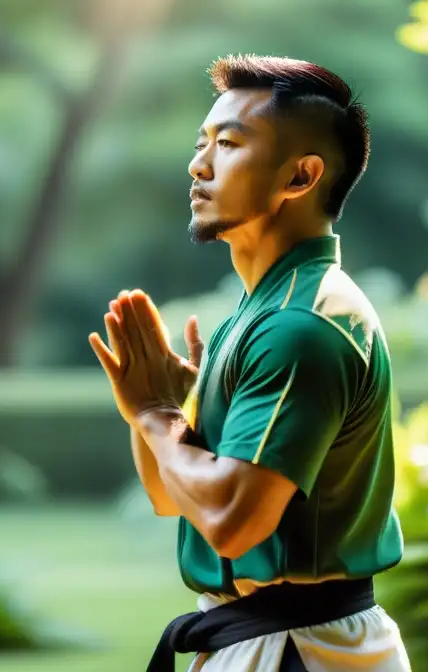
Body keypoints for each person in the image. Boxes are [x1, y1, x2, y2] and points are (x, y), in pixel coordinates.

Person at [89, 54, 409, 671]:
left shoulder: (301, 324)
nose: (198, 164)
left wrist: (157, 416)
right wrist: (165, 419)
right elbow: (171, 495)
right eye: (202, 142)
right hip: (260, 641)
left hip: (303, 651)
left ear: (301, 176)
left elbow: (233, 522)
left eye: (228, 143)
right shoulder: (260, 313)